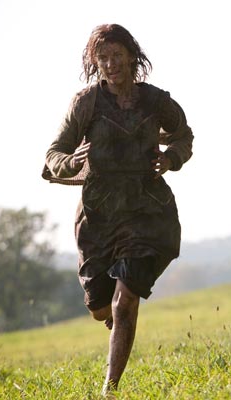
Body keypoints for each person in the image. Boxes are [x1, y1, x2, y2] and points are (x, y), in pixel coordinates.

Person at [43, 23, 193, 395]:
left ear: (131, 56)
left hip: (147, 212)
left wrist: (172, 157)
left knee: (125, 300)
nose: (111, 64)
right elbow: (53, 156)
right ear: (96, 63)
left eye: (117, 55)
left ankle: (110, 389)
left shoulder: (155, 101)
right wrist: (73, 161)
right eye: (103, 58)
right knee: (100, 307)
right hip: (99, 218)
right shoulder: (86, 103)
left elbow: (183, 135)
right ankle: (113, 318)